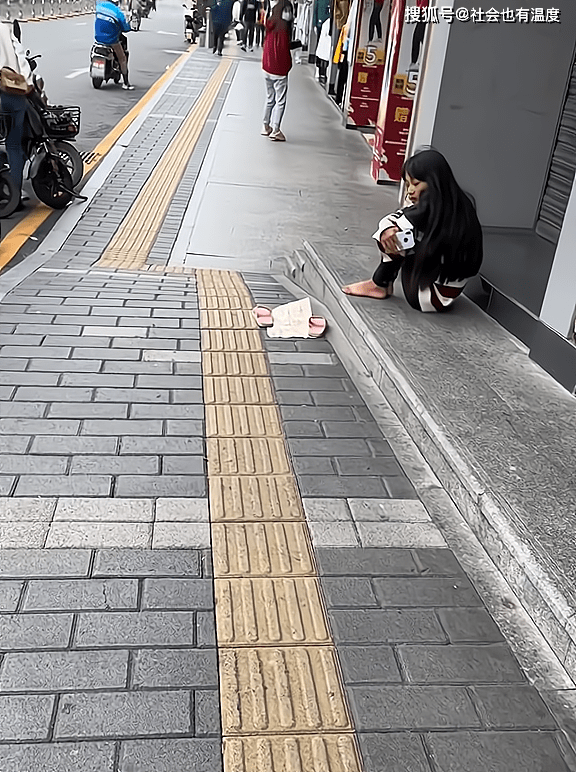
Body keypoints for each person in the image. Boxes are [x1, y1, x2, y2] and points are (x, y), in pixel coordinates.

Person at [342, 148, 483, 312]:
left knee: (397, 237)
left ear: (434, 182)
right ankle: (380, 284)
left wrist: (389, 231)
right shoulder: (460, 205)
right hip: (446, 294)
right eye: (407, 184)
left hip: (426, 297)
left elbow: (394, 221)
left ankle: (379, 284)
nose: (410, 191)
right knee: (398, 233)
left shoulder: (431, 209)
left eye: (416, 184)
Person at [0, 21, 33, 210]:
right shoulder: (5, 28)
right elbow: (22, 60)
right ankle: (16, 196)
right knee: (14, 146)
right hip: (13, 93)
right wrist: (28, 84)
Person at [261, 0, 293, 142]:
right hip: (279, 69)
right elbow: (284, 53)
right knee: (280, 100)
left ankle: (265, 126)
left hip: (266, 67)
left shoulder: (269, 27)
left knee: (269, 98)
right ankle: (276, 130)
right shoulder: (283, 32)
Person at [95, 0, 134, 89]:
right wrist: (128, 27)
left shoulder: (99, 6)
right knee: (122, 58)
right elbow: (125, 27)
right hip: (111, 40)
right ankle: (126, 83)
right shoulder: (117, 12)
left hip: (98, 38)